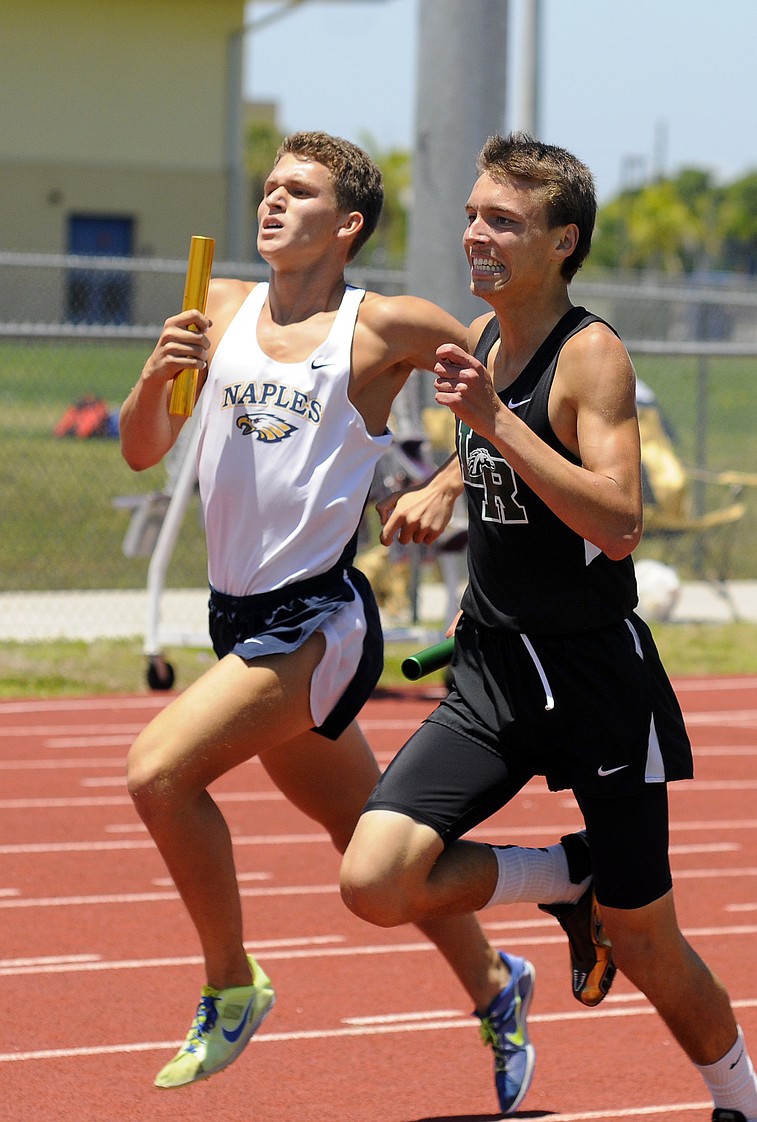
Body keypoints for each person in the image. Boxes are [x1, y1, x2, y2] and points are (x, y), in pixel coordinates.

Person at [118, 131, 571, 1113]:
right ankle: (498, 986)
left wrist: (451, 477)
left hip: (319, 620)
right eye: (269, 187)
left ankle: (232, 984)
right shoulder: (223, 305)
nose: (272, 203)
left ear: (348, 224)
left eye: (300, 192)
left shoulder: (385, 326)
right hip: (236, 619)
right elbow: (141, 451)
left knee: (158, 774)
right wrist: (157, 379)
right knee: (369, 837)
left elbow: (516, 388)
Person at [340, 133, 757, 1122]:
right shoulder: (486, 338)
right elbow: (492, 439)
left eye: (503, 221)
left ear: (561, 240)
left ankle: (747, 1105)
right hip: (494, 672)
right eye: (470, 216)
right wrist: (449, 480)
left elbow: (619, 523)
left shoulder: (592, 357)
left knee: (646, 943)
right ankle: (565, 872)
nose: (475, 236)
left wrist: (493, 426)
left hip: (592, 685)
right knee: (374, 879)